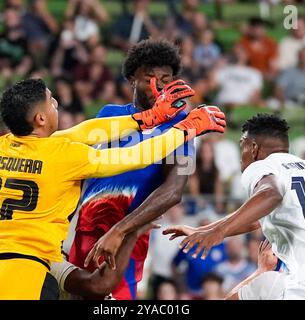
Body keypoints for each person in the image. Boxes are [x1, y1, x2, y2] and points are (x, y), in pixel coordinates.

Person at [0, 78, 226, 300]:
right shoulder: (65, 155)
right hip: (25, 273)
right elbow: (135, 157)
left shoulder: (5, 145)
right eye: (51, 100)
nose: (56, 103)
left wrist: (144, 119)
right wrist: (185, 129)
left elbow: (84, 132)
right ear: (41, 118)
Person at [69, 39, 225, 300]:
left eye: (166, 78)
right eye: (149, 77)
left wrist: (121, 231)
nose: (159, 86)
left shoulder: (184, 126)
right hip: (83, 230)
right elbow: (79, 167)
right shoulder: (109, 114)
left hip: (126, 237)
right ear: (132, 78)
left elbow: (174, 190)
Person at [164, 113, 305, 299]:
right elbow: (256, 220)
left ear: (253, 148)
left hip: (304, 285)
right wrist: (205, 229)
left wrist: (217, 232)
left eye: (242, 145)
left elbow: (271, 194)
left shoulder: (263, 166)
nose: (240, 155)